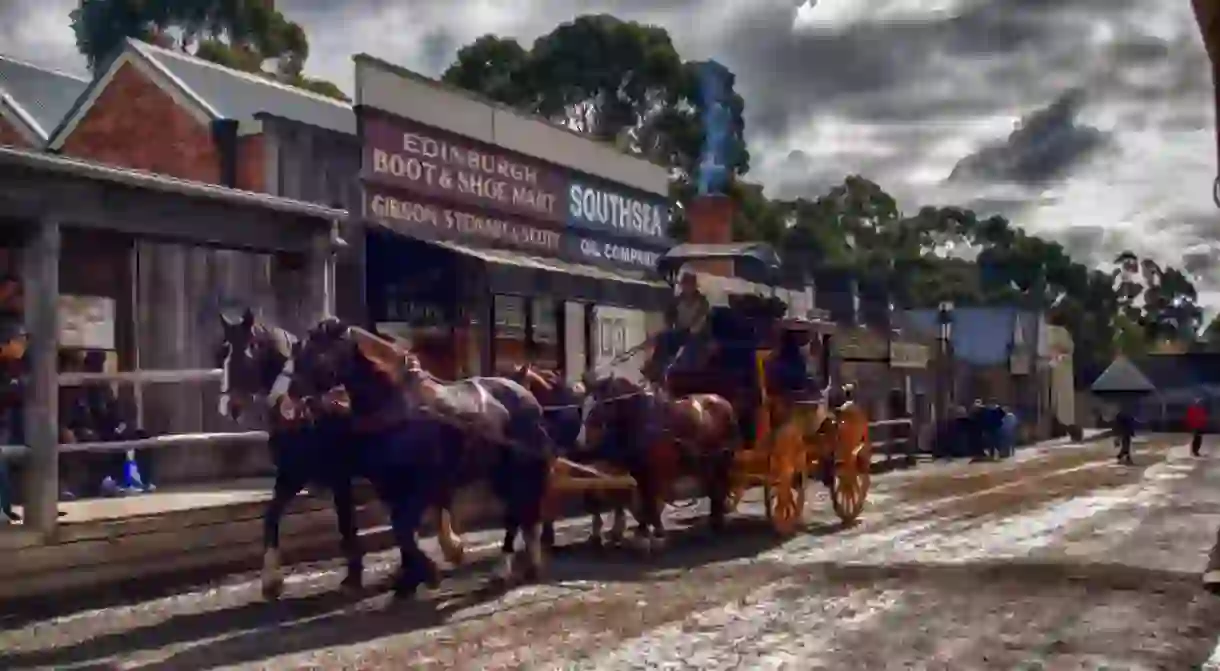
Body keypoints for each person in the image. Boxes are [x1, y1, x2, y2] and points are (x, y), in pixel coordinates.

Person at [647, 271, 711, 380]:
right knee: (664, 337)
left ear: (694, 286)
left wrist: (693, 328)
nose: (687, 287)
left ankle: (682, 370)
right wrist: (670, 326)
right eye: (685, 284)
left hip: (697, 334)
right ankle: (656, 368)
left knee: (691, 345)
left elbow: (702, 319)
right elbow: (669, 317)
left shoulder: (702, 302)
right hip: (679, 331)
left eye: (690, 284)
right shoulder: (677, 301)